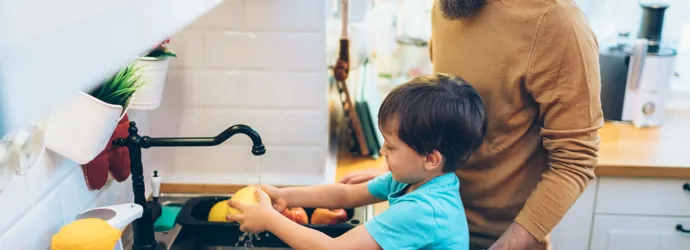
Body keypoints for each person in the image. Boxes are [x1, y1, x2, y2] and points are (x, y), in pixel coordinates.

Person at [340, 1, 604, 249]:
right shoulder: (449, 6)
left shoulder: (557, 24)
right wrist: (402, 175)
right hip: (427, 230)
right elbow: (442, 120)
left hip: (493, 240)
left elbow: (574, 161)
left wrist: (505, 245)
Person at [226, 74, 487, 250]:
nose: (382, 151)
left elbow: (335, 248)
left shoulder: (424, 211)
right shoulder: (415, 180)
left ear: (430, 159)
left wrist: (270, 220)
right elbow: (346, 195)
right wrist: (286, 196)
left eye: (391, 146)